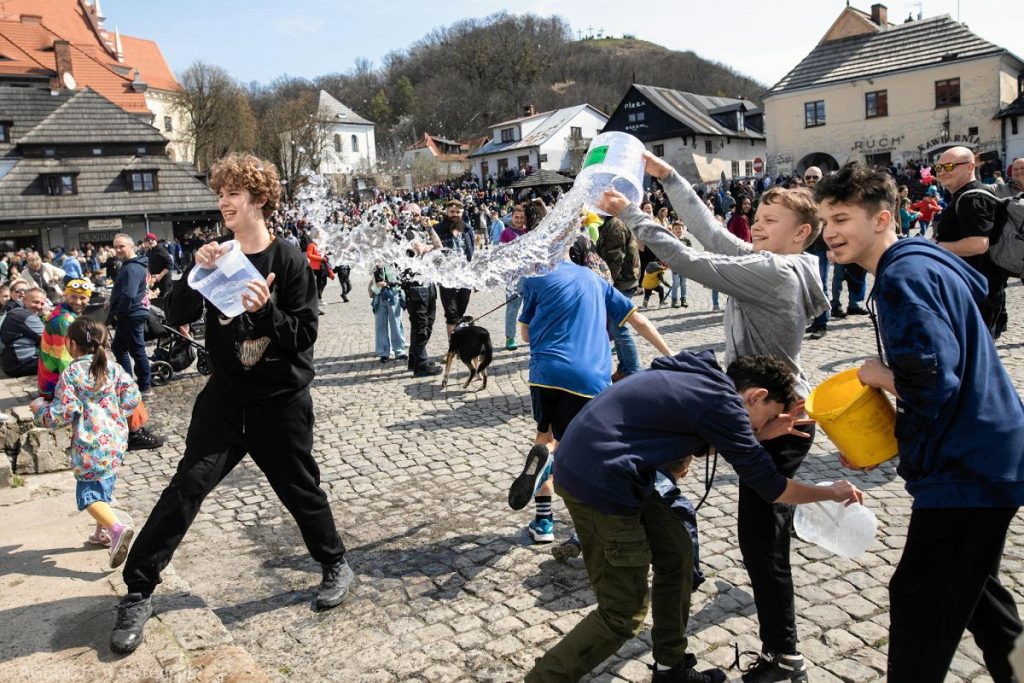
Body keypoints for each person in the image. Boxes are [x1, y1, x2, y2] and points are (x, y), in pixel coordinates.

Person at [601, 151, 830, 682]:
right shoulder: (774, 262)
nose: (758, 228)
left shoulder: (772, 272)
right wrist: (667, 176)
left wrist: (629, 214)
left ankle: (785, 657)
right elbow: (708, 232)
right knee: (761, 533)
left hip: (775, 418)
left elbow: (686, 261)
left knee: (762, 543)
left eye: (772, 223)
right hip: (764, 408)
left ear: (802, 235)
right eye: (761, 219)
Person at [111, 153, 351, 655]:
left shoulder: (286, 259)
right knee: (187, 487)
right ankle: (138, 589)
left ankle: (335, 563)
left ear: (258, 200)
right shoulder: (216, 254)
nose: (222, 201)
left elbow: (304, 334)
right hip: (224, 400)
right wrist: (188, 275)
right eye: (220, 193)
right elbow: (175, 315)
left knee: (301, 490)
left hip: (280, 401)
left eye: (232, 194)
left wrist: (266, 314)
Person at [524, 351, 864, 683]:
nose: (763, 426)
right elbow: (772, 489)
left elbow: (707, 436)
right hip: (598, 483)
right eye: (768, 416)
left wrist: (760, 433)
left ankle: (671, 668)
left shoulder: (704, 382)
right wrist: (831, 492)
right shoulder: (724, 404)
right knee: (622, 614)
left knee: (678, 554)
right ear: (757, 396)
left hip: (615, 467)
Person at [816, 161, 1024, 683]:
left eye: (841, 218)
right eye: (823, 221)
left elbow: (933, 381)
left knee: (920, 602)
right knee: (981, 600)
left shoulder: (902, 278)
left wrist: (874, 374)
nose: (829, 233)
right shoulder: (924, 264)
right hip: (989, 451)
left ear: (883, 218)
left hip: (967, 465)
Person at [509, 236, 672, 544]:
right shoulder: (596, 281)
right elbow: (637, 320)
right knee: (587, 452)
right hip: (589, 378)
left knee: (544, 440)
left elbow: (526, 336)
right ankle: (589, 523)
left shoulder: (535, 279)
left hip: (546, 373)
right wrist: (670, 355)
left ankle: (544, 523)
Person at [30, 317, 141, 566]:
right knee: (103, 485)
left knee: (89, 495)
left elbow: (62, 414)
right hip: (114, 440)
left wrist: (39, 410)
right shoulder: (113, 367)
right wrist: (112, 415)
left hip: (89, 443)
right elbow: (132, 398)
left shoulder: (71, 373)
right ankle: (102, 532)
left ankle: (116, 529)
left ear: (70, 344)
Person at [38, 279, 162, 449]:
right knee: (118, 388)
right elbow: (64, 361)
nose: (78, 301)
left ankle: (136, 429)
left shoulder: (67, 315)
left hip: (58, 378)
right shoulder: (63, 321)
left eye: (83, 298)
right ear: (65, 295)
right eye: (73, 297)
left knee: (118, 384)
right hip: (53, 384)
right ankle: (134, 434)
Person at [933, 146, 1010, 338]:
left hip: (978, 293)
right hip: (970, 289)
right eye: (939, 167)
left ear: (970, 167)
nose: (942, 172)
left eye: (949, 166)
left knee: (976, 357)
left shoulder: (973, 197)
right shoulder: (963, 196)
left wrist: (934, 247)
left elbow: (977, 244)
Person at [595, 214, 643, 379]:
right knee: (616, 326)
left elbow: (615, 259)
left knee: (618, 327)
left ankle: (632, 370)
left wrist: (606, 285)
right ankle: (625, 368)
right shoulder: (611, 222)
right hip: (622, 282)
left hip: (621, 282)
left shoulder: (615, 224)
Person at [108, 234, 153, 398]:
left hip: (130, 314)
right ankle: (127, 382)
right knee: (118, 348)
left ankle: (145, 387)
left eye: (122, 246)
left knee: (137, 349)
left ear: (131, 246)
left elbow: (129, 295)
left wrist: (119, 312)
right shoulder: (129, 265)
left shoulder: (132, 268)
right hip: (129, 313)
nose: (118, 250)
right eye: (116, 247)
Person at [435, 199, 475, 337]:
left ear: (462, 213)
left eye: (457, 212)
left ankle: (459, 342)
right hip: (447, 278)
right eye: (452, 212)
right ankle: (453, 346)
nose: (454, 215)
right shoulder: (438, 230)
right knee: (451, 313)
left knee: (460, 312)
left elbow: (472, 254)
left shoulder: (468, 230)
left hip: (465, 277)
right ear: (446, 212)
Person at [500, 205, 529, 351]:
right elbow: (502, 255)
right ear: (512, 217)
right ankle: (510, 337)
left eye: (521, 217)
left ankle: (531, 335)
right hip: (514, 277)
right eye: (516, 217)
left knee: (531, 307)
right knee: (512, 308)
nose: (519, 219)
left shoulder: (531, 231)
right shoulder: (506, 233)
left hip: (530, 275)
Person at [0, 287, 46, 377]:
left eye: (42, 304)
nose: (39, 306)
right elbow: (49, 339)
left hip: (9, 362)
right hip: (20, 365)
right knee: (59, 362)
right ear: (24, 299)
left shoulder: (15, 311)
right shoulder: (25, 316)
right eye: (36, 302)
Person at [370, 261, 406, 363]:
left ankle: (399, 351)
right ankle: (384, 353)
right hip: (379, 295)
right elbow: (375, 278)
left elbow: (401, 276)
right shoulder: (376, 257)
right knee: (380, 325)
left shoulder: (395, 257)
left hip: (394, 293)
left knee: (396, 323)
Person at [143, 233, 173, 299]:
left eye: (149, 240)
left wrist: (160, 275)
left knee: (165, 297)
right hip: (154, 278)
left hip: (163, 278)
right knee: (155, 296)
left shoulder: (160, 249)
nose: (148, 242)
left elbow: (170, 264)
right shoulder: (149, 251)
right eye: (146, 241)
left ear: (153, 240)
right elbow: (148, 264)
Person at [669, 222, 691, 308]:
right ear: (673, 231)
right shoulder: (671, 240)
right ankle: (674, 299)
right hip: (675, 265)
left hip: (684, 265)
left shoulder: (686, 240)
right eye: (676, 229)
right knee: (676, 283)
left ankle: (683, 299)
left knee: (683, 283)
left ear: (683, 229)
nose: (678, 230)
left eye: (680, 228)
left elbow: (691, 251)